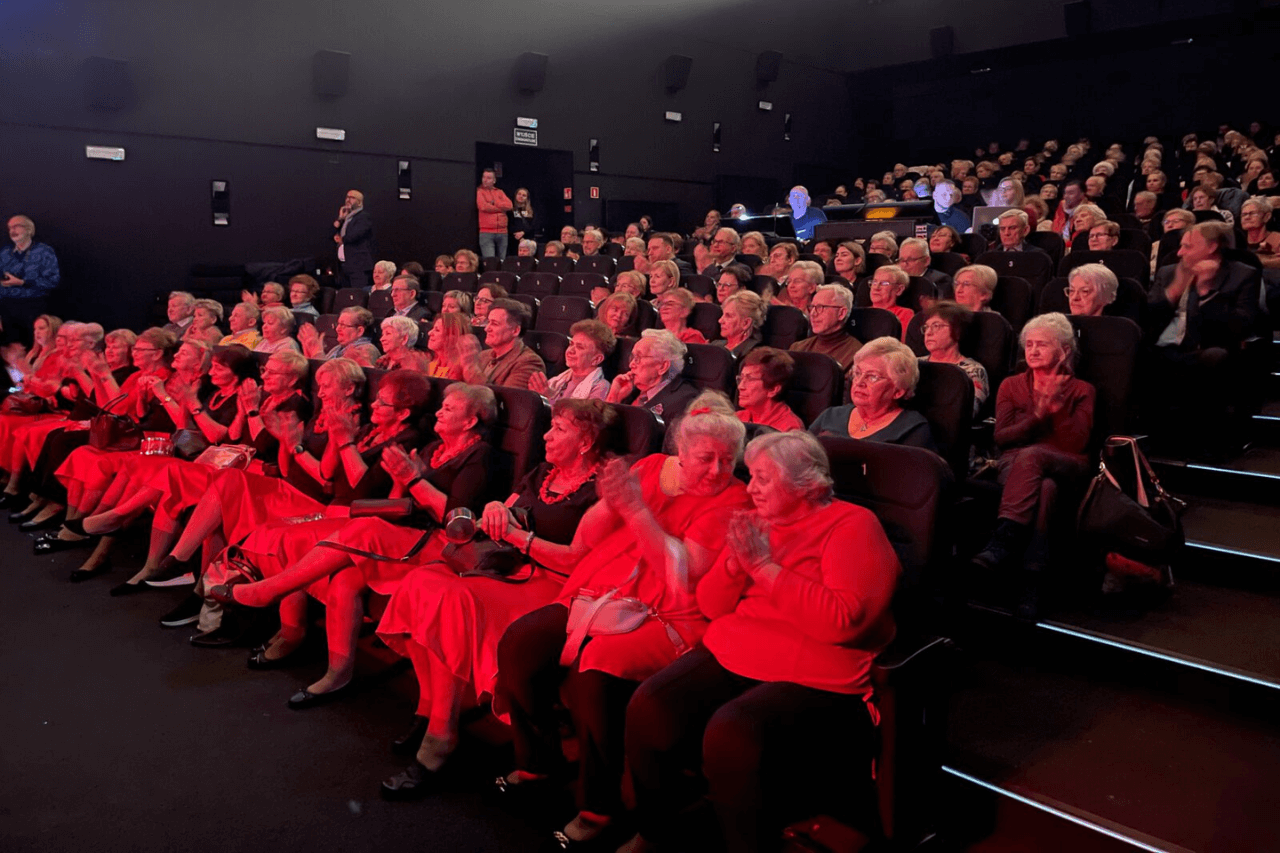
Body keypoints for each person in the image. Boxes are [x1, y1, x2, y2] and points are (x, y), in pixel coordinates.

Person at [491, 393, 753, 850]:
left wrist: (634, 510)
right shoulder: (651, 466)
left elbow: (682, 573)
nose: (716, 470)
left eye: (727, 460)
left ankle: (599, 803)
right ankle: (540, 762)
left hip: (668, 609)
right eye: (705, 458)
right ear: (680, 451)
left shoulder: (733, 499)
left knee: (598, 669)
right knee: (521, 643)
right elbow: (587, 537)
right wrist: (611, 504)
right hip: (603, 590)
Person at [625, 430, 899, 853]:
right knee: (651, 704)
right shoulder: (755, 522)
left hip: (818, 671)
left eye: (763, 479)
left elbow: (844, 623)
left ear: (807, 484)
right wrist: (735, 565)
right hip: (737, 650)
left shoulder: (852, 524)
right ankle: (657, 830)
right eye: (750, 476)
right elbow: (713, 606)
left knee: (733, 732)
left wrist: (765, 568)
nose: (750, 488)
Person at [370, 398, 613, 797]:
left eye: (559, 430)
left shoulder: (600, 492)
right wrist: (498, 508)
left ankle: (442, 733)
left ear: (585, 443)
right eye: (549, 427)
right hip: (511, 569)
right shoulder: (541, 473)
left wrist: (519, 537)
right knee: (423, 581)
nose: (546, 436)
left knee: (454, 600)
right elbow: (502, 513)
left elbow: (575, 563)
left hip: (555, 587)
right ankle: (431, 706)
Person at [205, 371, 432, 702]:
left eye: (382, 401)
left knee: (290, 539)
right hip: (341, 512)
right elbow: (327, 473)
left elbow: (364, 490)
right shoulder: (364, 428)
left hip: (368, 522)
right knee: (265, 523)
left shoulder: (405, 439)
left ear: (404, 411)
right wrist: (294, 440)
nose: (373, 404)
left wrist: (342, 440)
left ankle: (263, 608)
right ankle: (276, 624)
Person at [972, 313, 1095, 619]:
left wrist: (1053, 411)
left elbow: (1076, 443)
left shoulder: (1082, 390)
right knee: (1046, 488)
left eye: (1042, 344)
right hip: (1017, 464)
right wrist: (1040, 414)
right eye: (1029, 344)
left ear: (1064, 350)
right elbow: (1002, 438)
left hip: (1068, 463)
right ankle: (1033, 581)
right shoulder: (1011, 385)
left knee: (1034, 455)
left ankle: (1004, 539)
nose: (1033, 350)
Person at [1146, 221, 1261, 448]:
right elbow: (1149, 318)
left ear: (1211, 247)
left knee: (1215, 358)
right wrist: (1174, 292)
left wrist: (1205, 293)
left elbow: (1242, 324)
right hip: (1165, 345)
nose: (1179, 253)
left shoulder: (1243, 274)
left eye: (1187, 246)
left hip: (1208, 346)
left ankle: (1207, 440)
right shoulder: (1169, 272)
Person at [808, 336, 935, 448]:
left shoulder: (912, 430)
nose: (859, 382)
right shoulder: (831, 416)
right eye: (857, 373)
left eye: (872, 376)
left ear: (898, 391)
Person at [605, 329, 699, 418]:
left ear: (662, 366)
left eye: (638, 357)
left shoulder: (684, 401)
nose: (631, 364)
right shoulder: (629, 389)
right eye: (632, 357)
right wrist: (614, 397)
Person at [920, 301, 989, 415]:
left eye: (936, 326)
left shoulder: (973, 371)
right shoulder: (914, 364)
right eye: (926, 327)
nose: (928, 332)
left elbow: (967, 414)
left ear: (957, 331)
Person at [460, 298, 545, 388]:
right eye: (488, 322)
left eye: (495, 324)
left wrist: (471, 370)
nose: (486, 328)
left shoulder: (529, 362)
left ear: (515, 330)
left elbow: (504, 399)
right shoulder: (482, 356)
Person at [790, 284, 861, 391]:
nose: (813, 314)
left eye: (820, 308)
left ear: (841, 313)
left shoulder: (856, 354)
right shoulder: (797, 347)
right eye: (812, 307)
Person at [0, 215, 60, 341]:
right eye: (10, 227)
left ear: (29, 230)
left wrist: (22, 282)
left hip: (34, 307)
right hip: (7, 308)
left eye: (17, 226)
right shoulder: (4, 253)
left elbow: (53, 281)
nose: (12, 230)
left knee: (33, 346)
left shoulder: (44, 251)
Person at [529, 319, 615, 403]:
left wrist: (548, 398)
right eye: (571, 344)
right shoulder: (557, 381)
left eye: (580, 347)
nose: (570, 351)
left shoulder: (601, 388)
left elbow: (582, 417)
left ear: (596, 359)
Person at [735, 347, 804, 431]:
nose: (740, 386)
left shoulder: (789, 429)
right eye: (741, 378)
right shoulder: (737, 418)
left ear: (773, 390)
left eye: (750, 379)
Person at [334, 189, 375, 289]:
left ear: (359, 201)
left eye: (352, 198)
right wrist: (340, 218)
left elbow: (356, 234)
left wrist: (342, 239)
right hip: (344, 265)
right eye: (347, 197)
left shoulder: (363, 217)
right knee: (345, 295)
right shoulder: (346, 219)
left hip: (358, 265)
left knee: (358, 294)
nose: (348, 200)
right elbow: (331, 235)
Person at [301, 306, 375, 360]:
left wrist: (317, 351)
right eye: (338, 324)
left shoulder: (365, 351)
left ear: (359, 331)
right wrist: (307, 348)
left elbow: (332, 376)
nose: (337, 329)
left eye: (343, 325)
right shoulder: (338, 348)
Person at [715, 291, 766, 360]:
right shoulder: (715, 344)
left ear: (746, 323)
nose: (720, 320)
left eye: (728, 316)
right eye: (723, 315)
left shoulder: (752, 354)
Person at [867, 265, 915, 338]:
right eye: (874, 282)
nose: (876, 288)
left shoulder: (904, 314)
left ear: (899, 290)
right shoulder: (863, 312)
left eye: (884, 283)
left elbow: (898, 343)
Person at [1240, 197, 1280, 268]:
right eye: (1244, 214)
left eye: (1252, 213)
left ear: (1267, 217)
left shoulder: (1277, 239)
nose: (1247, 217)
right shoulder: (1237, 239)